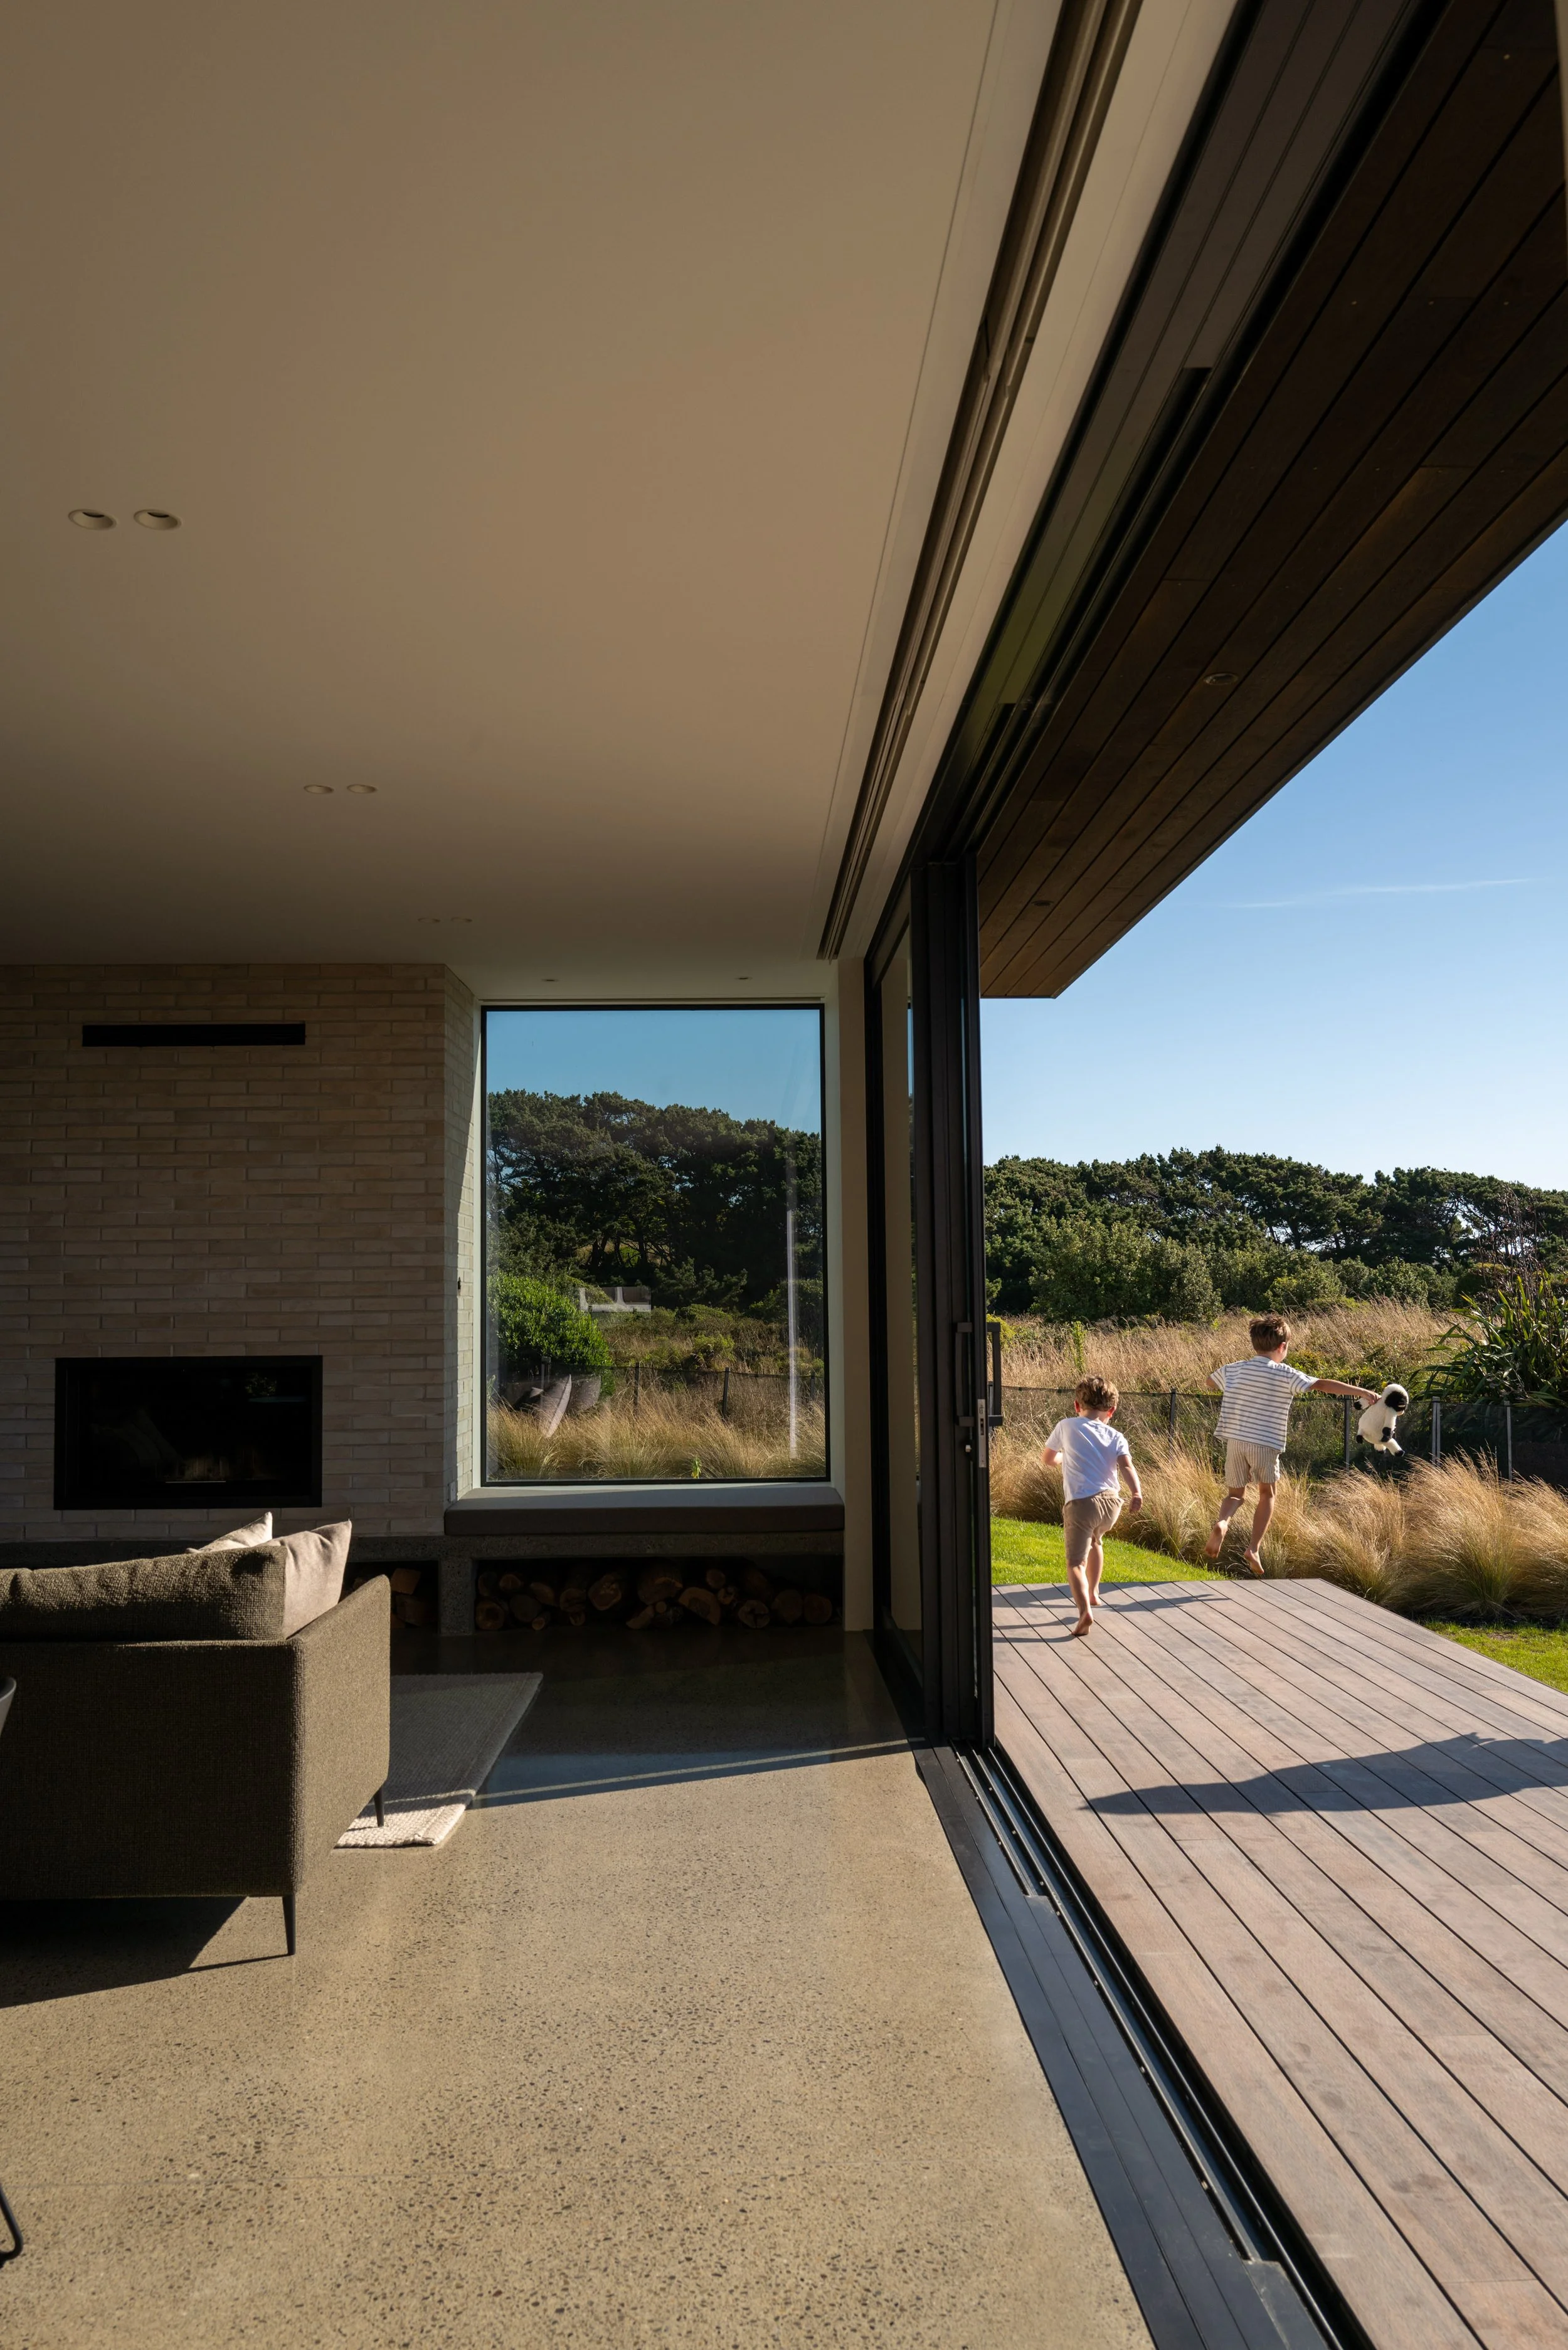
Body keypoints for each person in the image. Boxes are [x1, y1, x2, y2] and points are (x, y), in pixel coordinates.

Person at [1205, 1313, 1377, 1574]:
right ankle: (1253, 1548)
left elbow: (1210, 1382)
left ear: (1255, 1343)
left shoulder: (1235, 1369)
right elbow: (1321, 1385)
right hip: (1265, 1444)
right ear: (1283, 1347)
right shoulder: (1285, 1374)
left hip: (1236, 1442)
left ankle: (1222, 1523)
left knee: (1235, 1495)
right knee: (1267, 1494)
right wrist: (1361, 1391)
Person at [1042, 1374, 1143, 1638]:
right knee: (1096, 1541)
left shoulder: (1067, 1426)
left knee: (1075, 1563)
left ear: (1077, 1405)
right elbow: (1127, 1466)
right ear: (1112, 1410)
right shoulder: (1117, 1435)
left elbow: (1048, 1459)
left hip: (1082, 1503)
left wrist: (1063, 1458)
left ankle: (1084, 1611)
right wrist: (1136, 1492)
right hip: (1111, 1503)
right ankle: (1095, 1592)